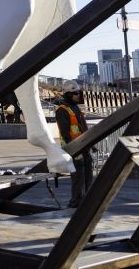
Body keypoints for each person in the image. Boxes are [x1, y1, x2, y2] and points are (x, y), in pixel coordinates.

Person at [55, 80, 92, 209]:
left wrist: (90, 144)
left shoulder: (75, 107)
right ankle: (76, 203)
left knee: (88, 176)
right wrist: (74, 151)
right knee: (78, 179)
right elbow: (65, 133)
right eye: (75, 93)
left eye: (78, 93)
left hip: (84, 147)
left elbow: (82, 128)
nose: (78, 95)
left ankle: (87, 201)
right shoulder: (62, 110)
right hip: (74, 150)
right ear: (68, 94)